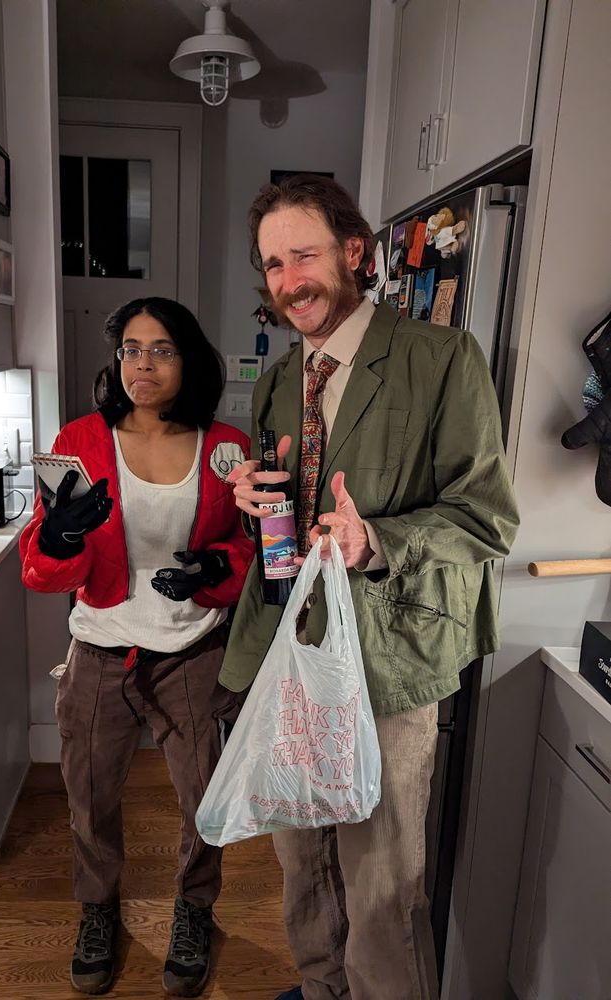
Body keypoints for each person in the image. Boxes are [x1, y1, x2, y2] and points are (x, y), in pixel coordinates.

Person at [220, 175, 519, 1000]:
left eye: (303, 255)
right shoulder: (280, 379)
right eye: (272, 264)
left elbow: (485, 519)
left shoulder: (441, 359)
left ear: (353, 253)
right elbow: (284, 521)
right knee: (303, 866)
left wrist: (373, 539)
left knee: (381, 886)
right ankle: (321, 991)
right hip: (290, 649)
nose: (289, 281)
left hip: (387, 659)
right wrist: (255, 504)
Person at [20, 297, 254, 997]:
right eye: (130, 349)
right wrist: (59, 536)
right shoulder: (79, 441)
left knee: (205, 799)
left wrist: (215, 569)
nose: (142, 364)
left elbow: (248, 544)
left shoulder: (226, 447)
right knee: (89, 797)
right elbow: (42, 570)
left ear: (189, 360)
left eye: (161, 350)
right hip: (100, 651)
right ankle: (98, 910)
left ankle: (194, 911)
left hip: (192, 653)